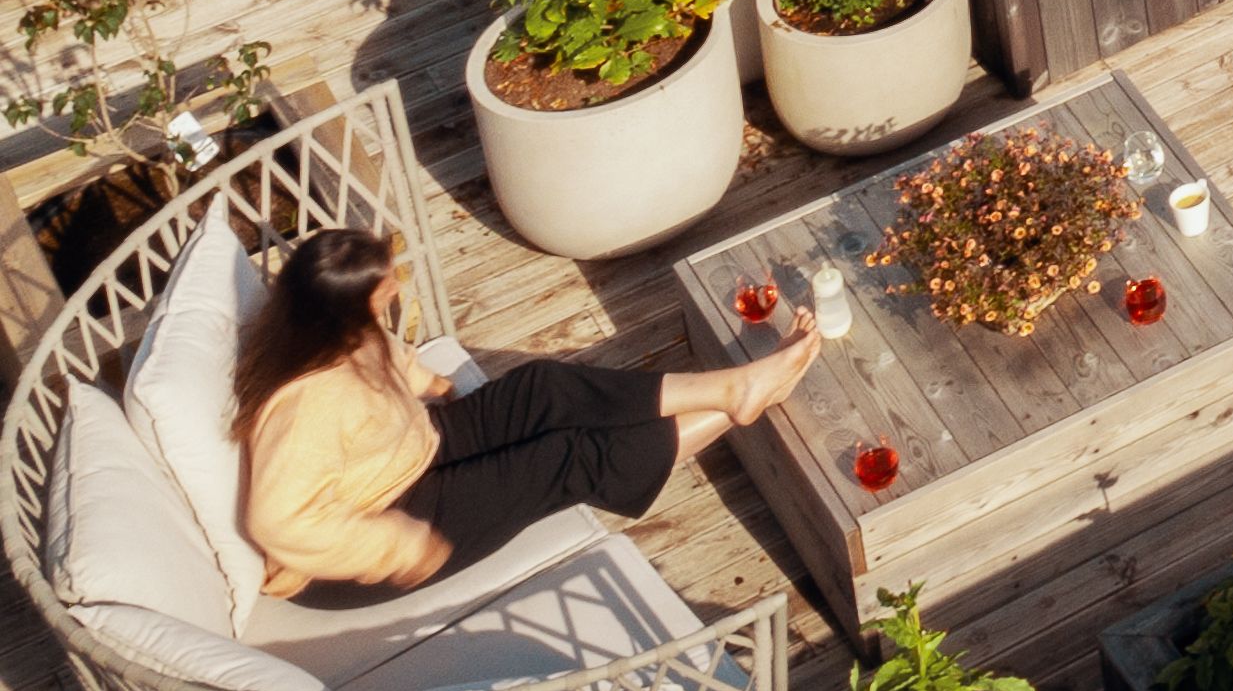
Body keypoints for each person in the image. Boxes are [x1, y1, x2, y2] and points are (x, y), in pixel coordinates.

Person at [237, 226, 822, 606]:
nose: (395, 286)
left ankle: (737, 388)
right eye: (387, 283)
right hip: (368, 541)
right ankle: (743, 401)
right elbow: (279, 523)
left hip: (411, 455)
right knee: (563, 459)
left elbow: (384, 362)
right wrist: (397, 545)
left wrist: (434, 384)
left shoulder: (329, 329)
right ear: (347, 303)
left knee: (544, 387)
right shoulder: (308, 404)